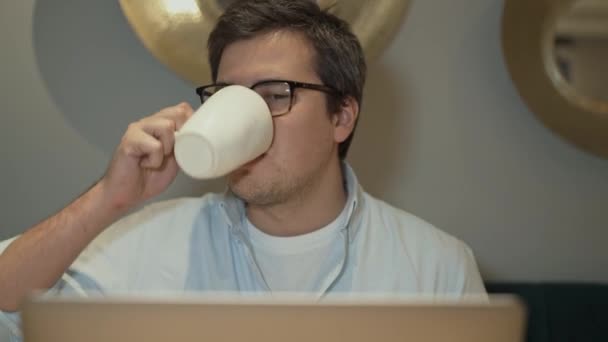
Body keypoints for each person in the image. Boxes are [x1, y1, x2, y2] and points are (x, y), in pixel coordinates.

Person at [0, 0, 485, 339]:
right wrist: (109, 198)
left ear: (341, 116)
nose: (248, 116)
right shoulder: (150, 245)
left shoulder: (435, 268)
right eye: (230, 96)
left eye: (275, 95)